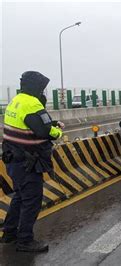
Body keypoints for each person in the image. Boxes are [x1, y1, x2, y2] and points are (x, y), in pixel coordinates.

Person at [0, 71, 64, 252]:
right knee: (32, 200)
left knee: (19, 197)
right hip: (27, 162)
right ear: (36, 86)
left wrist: (51, 123)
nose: (43, 91)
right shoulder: (32, 103)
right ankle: (25, 241)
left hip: (13, 158)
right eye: (42, 87)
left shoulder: (16, 100)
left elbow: (29, 124)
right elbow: (44, 131)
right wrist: (58, 132)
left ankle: (9, 233)